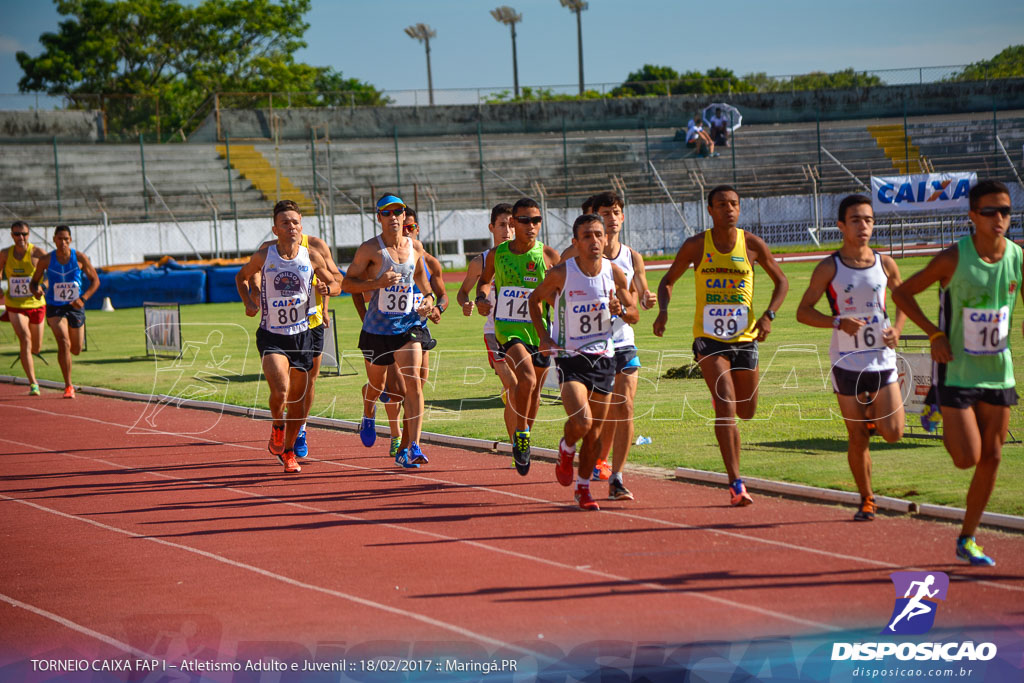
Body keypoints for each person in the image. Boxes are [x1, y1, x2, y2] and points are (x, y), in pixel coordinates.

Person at [893, 180, 1021, 567]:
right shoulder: (953, 258)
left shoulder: (1017, 256)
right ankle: (937, 405)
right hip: (957, 371)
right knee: (968, 458)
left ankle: (967, 538)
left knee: (994, 457)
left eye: (1006, 212)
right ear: (972, 216)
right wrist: (933, 333)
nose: (999, 218)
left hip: (999, 371)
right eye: (990, 212)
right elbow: (902, 293)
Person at [653, 185, 789, 506]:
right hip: (708, 338)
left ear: (739, 208)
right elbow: (667, 280)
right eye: (721, 204)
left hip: (744, 338)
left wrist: (768, 316)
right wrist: (662, 311)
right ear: (710, 210)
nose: (728, 209)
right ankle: (736, 483)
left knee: (747, 410)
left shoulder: (752, 245)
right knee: (726, 401)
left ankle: (721, 402)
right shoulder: (696, 246)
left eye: (734, 204)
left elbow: (781, 280)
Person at [796, 195, 906, 521]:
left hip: (882, 357)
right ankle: (867, 499)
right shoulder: (830, 267)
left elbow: (903, 298)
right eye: (856, 220)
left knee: (894, 433)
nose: (863, 226)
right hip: (846, 360)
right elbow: (803, 311)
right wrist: (836, 321)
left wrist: (897, 329)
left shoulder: (885, 264)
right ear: (841, 225)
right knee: (857, 436)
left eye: (869, 220)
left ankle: (874, 416)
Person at [530, 214, 637, 510]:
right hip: (570, 357)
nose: (595, 241)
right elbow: (534, 300)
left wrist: (621, 311)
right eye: (587, 236)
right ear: (576, 243)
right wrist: (544, 337)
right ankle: (566, 448)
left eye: (598, 235)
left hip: (603, 357)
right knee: (583, 421)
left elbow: (634, 314)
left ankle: (584, 487)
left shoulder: (614, 273)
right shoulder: (562, 273)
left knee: (596, 434)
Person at [559, 191, 657, 500]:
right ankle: (581, 453)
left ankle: (616, 477)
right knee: (588, 419)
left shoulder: (630, 257)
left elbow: (638, 297)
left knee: (624, 406)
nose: (612, 218)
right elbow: (554, 294)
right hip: (585, 347)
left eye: (616, 213)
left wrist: (643, 300)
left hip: (622, 341)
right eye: (606, 213)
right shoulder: (570, 257)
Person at [235, 200, 336, 474]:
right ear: (275, 229)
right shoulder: (265, 255)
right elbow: (242, 277)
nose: (291, 227)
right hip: (272, 335)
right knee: (280, 391)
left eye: (295, 222)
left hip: (302, 335)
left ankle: (289, 451)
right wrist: (249, 301)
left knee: (298, 402)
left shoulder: (311, 256)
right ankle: (277, 425)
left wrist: (329, 288)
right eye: (285, 223)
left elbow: (336, 283)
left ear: (300, 226)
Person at [343, 194, 435, 468]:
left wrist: (429, 300)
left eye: (398, 211)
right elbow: (347, 284)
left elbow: (422, 280)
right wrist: (376, 282)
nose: (393, 217)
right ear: (379, 217)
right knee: (377, 386)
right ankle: (369, 410)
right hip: (377, 329)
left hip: (407, 326)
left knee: (414, 384)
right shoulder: (370, 249)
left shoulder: (415, 247)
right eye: (387, 212)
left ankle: (413, 446)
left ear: (404, 214)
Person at [476, 198, 561, 474]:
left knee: (534, 390)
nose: (531, 225)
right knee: (524, 377)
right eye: (525, 220)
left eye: (536, 220)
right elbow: (485, 280)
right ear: (513, 222)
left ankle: (524, 437)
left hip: (539, 332)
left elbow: (562, 291)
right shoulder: (497, 254)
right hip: (507, 329)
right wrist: (482, 297)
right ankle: (521, 436)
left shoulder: (548, 255)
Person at [456, 203, 518, 438]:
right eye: (502, 225)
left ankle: (519, 434)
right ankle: (517, 445)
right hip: (494, 332)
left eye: (511, 225)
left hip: (522, 332)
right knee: (513, 387)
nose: (507, 231)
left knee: (522, 389)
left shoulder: (524, 259)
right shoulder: (479, 262)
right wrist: (466, 304)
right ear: (492, 227)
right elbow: (462, 292)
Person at [28, 225, 100, 398]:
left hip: (75, 306)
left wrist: (83, 299)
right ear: (54, 239)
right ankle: (68, 386)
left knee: (76, 349)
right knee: (63, 342)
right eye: (59, 239)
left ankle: (69, 380)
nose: (63, 242)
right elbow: (33, 282)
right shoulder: (46, 260)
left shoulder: (80, 258)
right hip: (55, 306)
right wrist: (36, 290)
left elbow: (95, 281)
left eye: (66, 239)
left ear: (70, 240)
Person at [0, 221, 48, 395]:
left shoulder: (38, 253)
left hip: (36, 304)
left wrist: (43, 287)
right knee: (25, 339)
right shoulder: (5, 254)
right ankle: (33, 383)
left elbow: (51, 275)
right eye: (17, 234)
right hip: (15, 304)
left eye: (24, 234)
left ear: (29, 235)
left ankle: (32, 356)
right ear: (12, 235)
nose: (21, 237)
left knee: (36, 347)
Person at [402, 207, 447, 384]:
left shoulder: (430, 262)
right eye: (403, 227)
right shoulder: (385, 257)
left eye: (410, 227)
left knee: (421, 381)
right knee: (397, 386)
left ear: (417, 229)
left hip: (419, 326)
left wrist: (438, 308)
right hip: (393, 327)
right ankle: (371, 399)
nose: (407, 231)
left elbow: (443, 295)